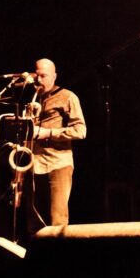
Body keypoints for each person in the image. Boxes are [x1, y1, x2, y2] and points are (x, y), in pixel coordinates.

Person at [21, 58, 86, 241]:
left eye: (44, 76)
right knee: (34, 223)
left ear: (54, 76)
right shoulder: (32, 99)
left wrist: (47, 133)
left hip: (57, 164)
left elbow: (81, 131)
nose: (39, 80)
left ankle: (57, 262)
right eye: (37, 75)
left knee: (56, 221)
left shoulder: (68, 97)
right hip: (33, 165)